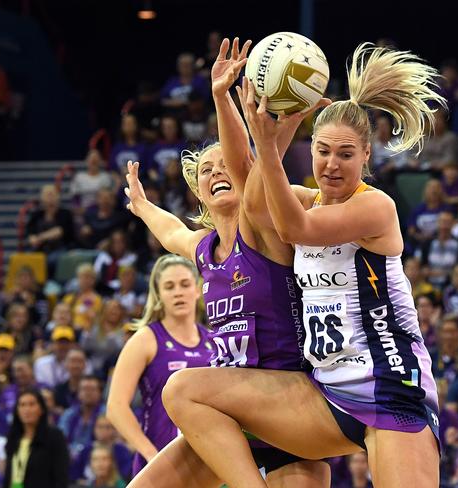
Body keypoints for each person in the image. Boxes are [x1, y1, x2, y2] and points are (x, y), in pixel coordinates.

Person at [136, 42, 444, 488]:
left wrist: (272, 136)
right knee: (183, 390)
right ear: (311, 150)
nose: (332, 165)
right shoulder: (303, 200)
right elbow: (250, 183)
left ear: (366, 157)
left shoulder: (375, 208)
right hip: (325, 392)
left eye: (345, 154)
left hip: (390, 384)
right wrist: (224, 99)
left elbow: (293, 226)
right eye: (323, 152)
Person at [125, 37, 329, 487]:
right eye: (205, 171)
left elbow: (254, 162)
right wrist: (141, 206)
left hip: (289, 405)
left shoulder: (268, 226)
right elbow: (172, 232)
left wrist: (224, 98)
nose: (217, 172)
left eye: (224, 165)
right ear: (197, 193)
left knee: (181, 388)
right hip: (231, 412)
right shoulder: (203, 248)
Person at [106, 254, 213, 475]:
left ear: (197, 289)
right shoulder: (145, 339)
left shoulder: (214, 341)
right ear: (159, 295)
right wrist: (150, 454)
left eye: (184, 284)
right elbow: (115, 407)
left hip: (208, 463)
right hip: (159, 459)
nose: (178, 292)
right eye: (169, 286)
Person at [3, 388, 69, 488]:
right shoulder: (13, 437)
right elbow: (8, 475)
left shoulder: (54, 436)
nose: (27, 409)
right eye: (22, 405)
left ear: (41, 409)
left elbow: (61, 477)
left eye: (31, 404)